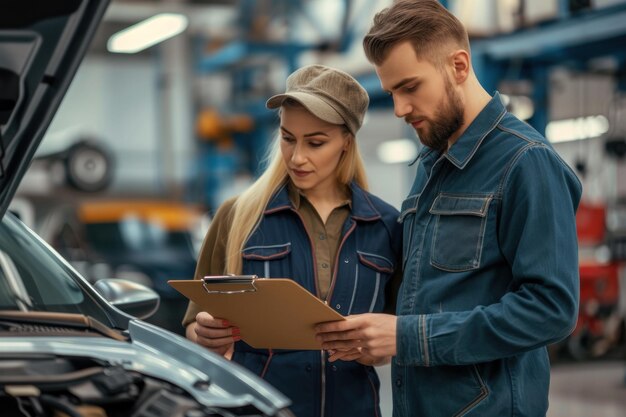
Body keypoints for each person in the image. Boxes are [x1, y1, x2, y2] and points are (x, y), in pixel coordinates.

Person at [315, 1, 583, 416]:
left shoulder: (526, 162)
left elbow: (551, 310)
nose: (400, 108)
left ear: (458, 66)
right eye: (392, 93)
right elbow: (431, 292)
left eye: (410, 87)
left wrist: (408, 338)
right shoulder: (432, 163)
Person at [182, 64, 402, 417]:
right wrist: (204, 332)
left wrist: (376, 350)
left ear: (346, 141)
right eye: (288, 138)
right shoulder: (237, 217)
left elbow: (391, 338)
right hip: (258, 409)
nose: (297, 157)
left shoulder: (387, 226)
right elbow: (194, 322)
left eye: (316, 142)